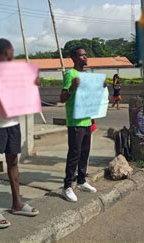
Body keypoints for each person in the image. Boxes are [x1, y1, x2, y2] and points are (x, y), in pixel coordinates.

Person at [0, 38, 39, 229]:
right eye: (10, 53)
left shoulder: (14, 71)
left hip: (13, 121)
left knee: (13, 162)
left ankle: (17, 203)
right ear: (1, 53)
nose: (12, 57)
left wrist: (32, 85)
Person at [60, 46, 98, 202]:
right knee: (74, 154)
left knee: (85, 153)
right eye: (82, 56)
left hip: (87, 119)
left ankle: (81, 181)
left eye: (86, 55)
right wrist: (71, 88)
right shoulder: (70, 74)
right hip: (75, 121)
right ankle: (67, 186)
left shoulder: (87, 75)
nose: (85, 58)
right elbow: (62, 98)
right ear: (74, 59)